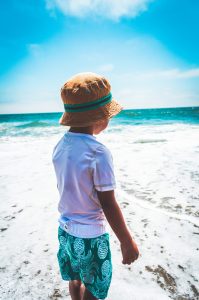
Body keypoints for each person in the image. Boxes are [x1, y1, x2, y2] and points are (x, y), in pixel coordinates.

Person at [52, 72, 140, 300]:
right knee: (95, 289)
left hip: (65, 230)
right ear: (99, 117)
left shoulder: (60, 146)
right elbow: (108, 203)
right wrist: (126, 241)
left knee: (75, 277)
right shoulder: (98, 153)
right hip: (91, 236)